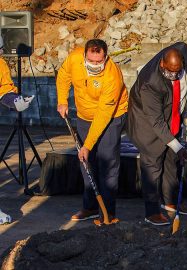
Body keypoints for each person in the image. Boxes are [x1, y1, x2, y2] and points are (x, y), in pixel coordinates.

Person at [56, 39, 128, 223]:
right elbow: (64, 76)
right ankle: (90, 207)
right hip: (84, 116)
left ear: (106, 57)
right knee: (85, 161)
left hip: (111, 117)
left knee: (107, 161)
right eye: (91, 61)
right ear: (84, 56)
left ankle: (108, 211)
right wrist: (62, 100)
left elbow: (104, 114)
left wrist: (87, 145)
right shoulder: (74, 59)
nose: (95, 65)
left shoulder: (112, 76)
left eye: (99, 62)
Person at [127, 42, 187, 226]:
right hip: (147, 124)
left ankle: (171, 201)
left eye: (177, 71)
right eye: (170, 72)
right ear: (162, 64)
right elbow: (156, 122)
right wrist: (177, 146)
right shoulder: (149, 83)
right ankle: (152, 212)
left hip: (171, 115)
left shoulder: (183, 53)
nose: (174, 76)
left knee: (171, 161)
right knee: (153, 167)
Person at [0, 35, 34, 112]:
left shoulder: (1, 63)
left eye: (2, 48)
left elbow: (4, 88)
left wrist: (14, 100)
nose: (2, 51)